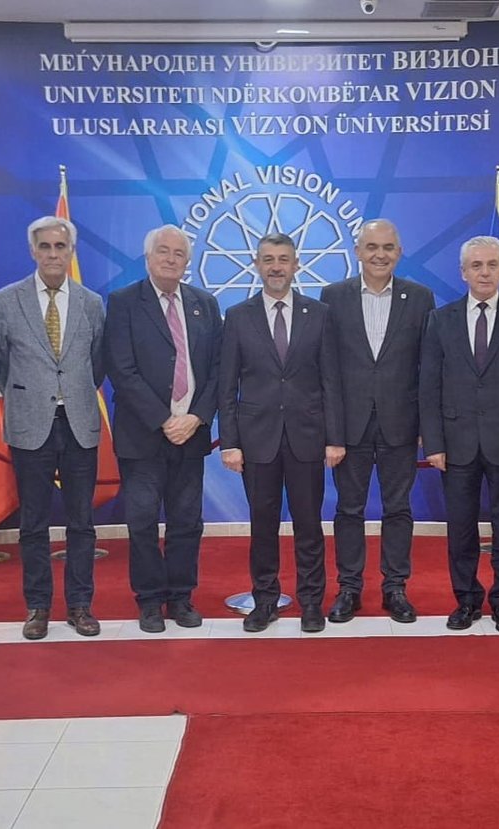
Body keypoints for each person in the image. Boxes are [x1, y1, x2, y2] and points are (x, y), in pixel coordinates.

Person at [218, 233, 345, 633]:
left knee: (309, 526)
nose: (276, 266)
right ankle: (264, 601)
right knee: (263, 527)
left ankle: (311, 604)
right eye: (269, 259)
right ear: (257, 264)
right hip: (257, 441)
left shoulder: (319, 314)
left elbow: (331, 380)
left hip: (308, 437)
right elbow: (227, 385)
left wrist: (335, 438)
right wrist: (230, 442)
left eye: (283, 259)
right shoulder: (238, 316)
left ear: (296, 265)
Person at [420, 236, 499, 634]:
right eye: (476, 265)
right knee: (460, 529)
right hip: (455, 444)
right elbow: (428, 386)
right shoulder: (440, 320)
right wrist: (433, 443)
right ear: (463, 272)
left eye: (492, 265)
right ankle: (466, 600)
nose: (485, 272)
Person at [0, 215, 106, 639]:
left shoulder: (92, 302)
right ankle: (37, 607)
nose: (53, 254)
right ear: (32, 251)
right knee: (33, 523)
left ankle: (80, 605)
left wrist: (69, 392)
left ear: (71, 251)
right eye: (45, 246)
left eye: (61, 246)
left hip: (78, 423)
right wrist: (33, 392)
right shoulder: (6, 301)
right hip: (30, 424)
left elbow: (97, 362)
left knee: (82, 522)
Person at [105, 224, 222, 633]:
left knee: (187, 522)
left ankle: (181, 597)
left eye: (179, 253)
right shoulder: (123, 302)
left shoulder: (205, 304)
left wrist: (197, 417)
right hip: (143, 435)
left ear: (188, 261)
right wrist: (163, 419)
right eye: (164, 251)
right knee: (142, 522)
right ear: (148, 257)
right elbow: (121, 368)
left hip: (191, 433)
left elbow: (218, 368)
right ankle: (150, 600)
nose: (171, 259)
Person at [319, 219, 436, 624]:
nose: (379, 255)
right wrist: (332, 430)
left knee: (398, 508)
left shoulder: (419, 297)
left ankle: (395, 588)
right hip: (349, 426)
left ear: (399, 252)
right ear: (357, 251)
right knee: (349, 509)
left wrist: (426, 426)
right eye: (371, 247)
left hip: (401, 423)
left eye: (388, 247)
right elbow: (327, 369)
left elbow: (428, 367)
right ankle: (349, 588)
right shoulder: (333, 296)